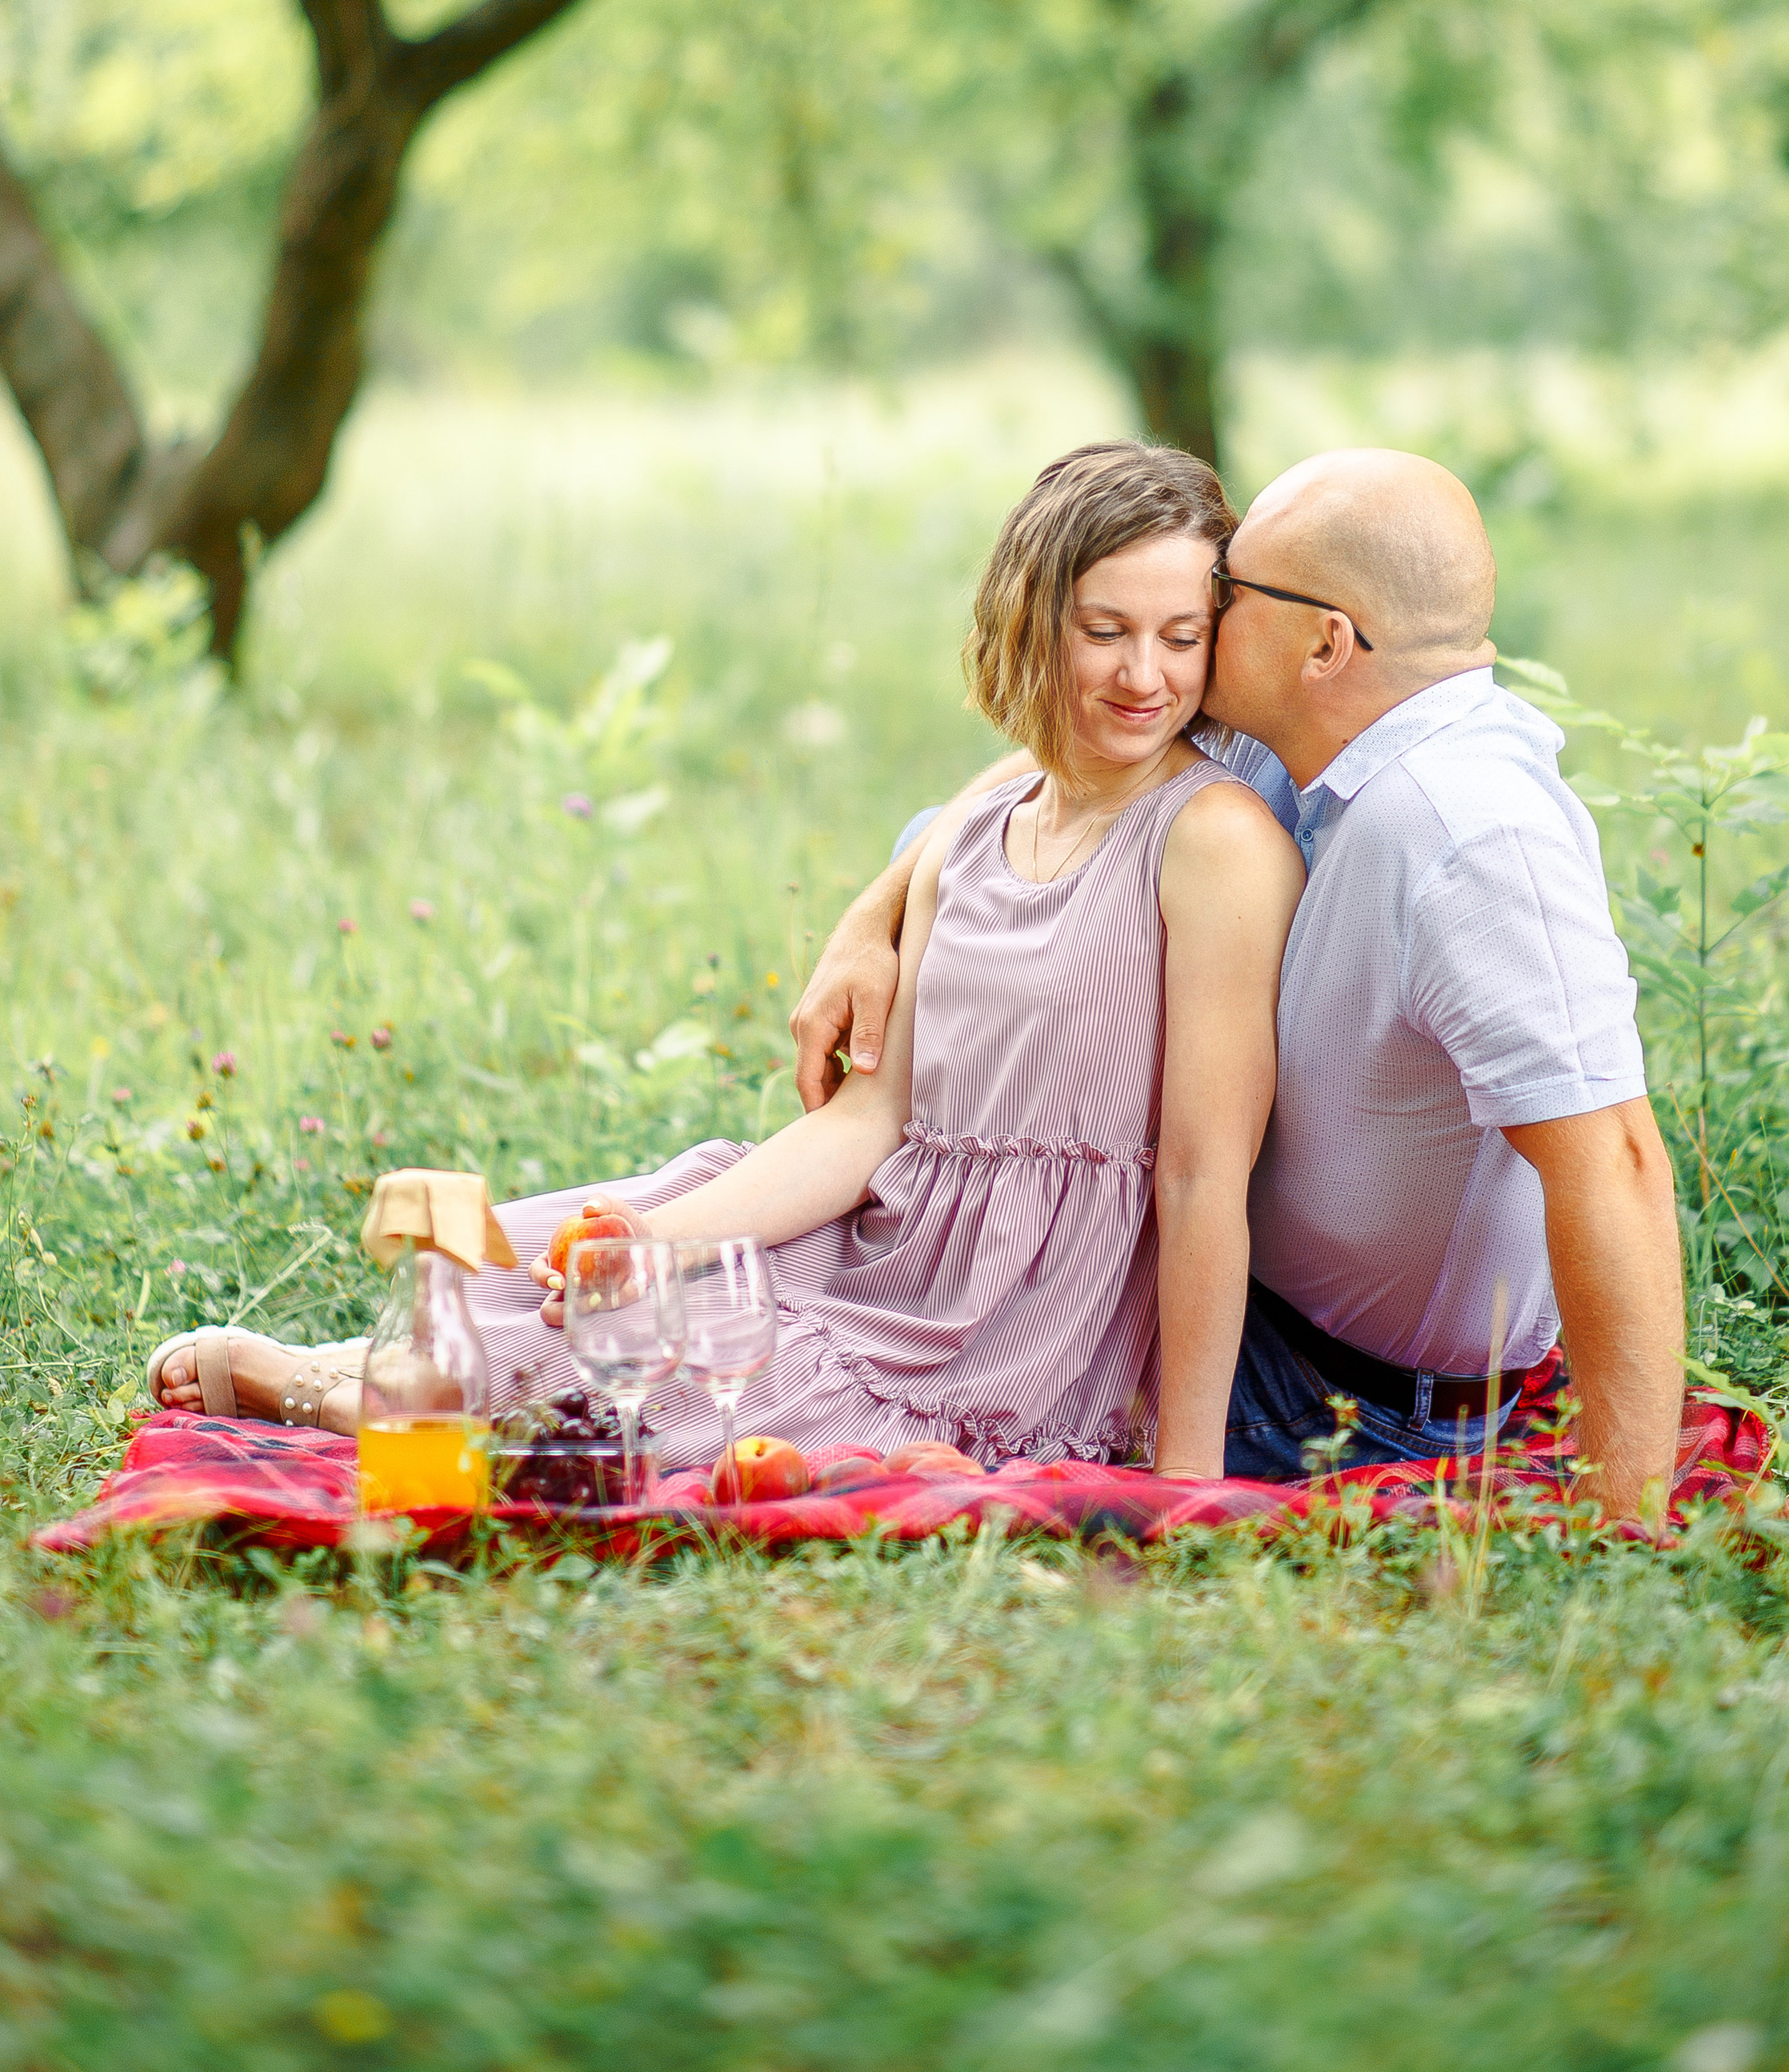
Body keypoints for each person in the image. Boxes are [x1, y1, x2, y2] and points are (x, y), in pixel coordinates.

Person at [148, 443, 1302, 1477]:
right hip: (874, 1249)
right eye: (1106, 632)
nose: (1145, 675)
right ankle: (349, 1375)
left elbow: (1204, 1177)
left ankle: (308, 1387)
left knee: (626, 1406)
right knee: (550, 1279)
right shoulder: (968, 839)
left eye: (1181, 637)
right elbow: (869, 1125)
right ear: (1029, 624)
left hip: (1006, 1327)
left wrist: (1189, 1478)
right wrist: (660, 1241)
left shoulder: (1212, 845)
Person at [794, 447, 1685, 1520]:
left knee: (804, 1362)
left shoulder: (1466, 835)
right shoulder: (1312, 727)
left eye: (1227, 592)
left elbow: (1619, 1160)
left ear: (1326, 642)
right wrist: (877, 908)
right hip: (1223, 1284)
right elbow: (1054, 767)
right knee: (794, 1269)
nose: (1198, 616)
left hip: (1340, 1394)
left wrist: (1628, 1522)